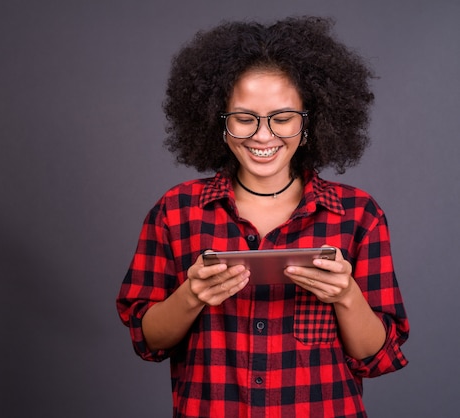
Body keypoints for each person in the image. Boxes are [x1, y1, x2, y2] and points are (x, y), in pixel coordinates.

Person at [116, 16, 409, 418]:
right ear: (219, 124)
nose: (263, 135)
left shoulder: (359, 216)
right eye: (244, 118)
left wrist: (346, 295)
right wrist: (191, 295)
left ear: (308, 124)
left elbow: (375, 356)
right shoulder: (175, 212)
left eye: (283, 118)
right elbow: (148, 341)